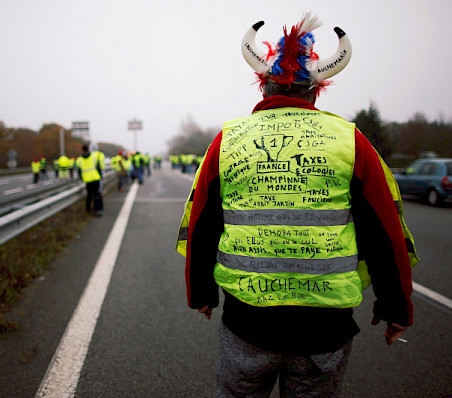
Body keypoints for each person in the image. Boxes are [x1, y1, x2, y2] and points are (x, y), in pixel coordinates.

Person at [176, 13, 419, 397]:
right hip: (325, 332)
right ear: (316, 91)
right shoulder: (350, 140)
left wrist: (201, 292)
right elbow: (383, 230)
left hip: (246, 324)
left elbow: (203, 221)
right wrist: (395, 307)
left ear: (263, 87)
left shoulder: (228, 140)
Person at [77, 144, 104, 216]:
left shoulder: (79, 159)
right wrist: (101, 176)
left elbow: (79, 171)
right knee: (97, 195)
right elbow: (98, 168)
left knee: (89, 195)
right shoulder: (94, 157)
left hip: (87, 180)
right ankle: (97, 209)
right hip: (95, 178)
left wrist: (82, 178)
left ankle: (88, 209)